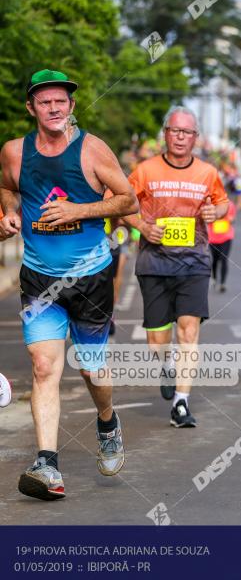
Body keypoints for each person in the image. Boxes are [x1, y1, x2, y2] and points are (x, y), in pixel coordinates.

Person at [0, 69, 139, 500]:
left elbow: (127, 199)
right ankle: (47, 465)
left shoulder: (93, 149)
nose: (55, 108)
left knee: (91, 367)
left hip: (91, 276)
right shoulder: (14, 152)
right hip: (39, 277)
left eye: (61, 101)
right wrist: (8, 214)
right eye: (45, 102)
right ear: (31, 108)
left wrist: (78, 210)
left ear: (72, 106)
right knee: (43, 368)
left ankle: (107, 420)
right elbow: (7, 189)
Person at [124, 106, 229, 428]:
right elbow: (120, 202)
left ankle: (181, 404)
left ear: (196, 137)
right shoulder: (144, 170)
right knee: (157, 338)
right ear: (166, 134)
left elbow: (222, 202)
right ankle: (166, 363)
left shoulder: (207, 172)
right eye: (175, 131)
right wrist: (141, 226)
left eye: (187, 132)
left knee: (188, 329)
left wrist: (217, 213)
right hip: (154, 262)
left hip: (194, 261)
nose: (181, 137)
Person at [209, 200, 236, 292]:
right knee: (215, 260)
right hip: (213, 238)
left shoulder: (230, 205)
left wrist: (229, 218)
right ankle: (215, 278)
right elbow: (207, 219)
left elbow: (233, 218)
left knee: (224, 259)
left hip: (226, 237)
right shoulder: (211, 205)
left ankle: (223, 283)